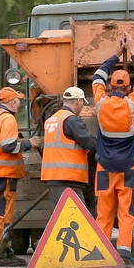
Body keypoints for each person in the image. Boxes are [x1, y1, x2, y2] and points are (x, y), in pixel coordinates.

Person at [92, 33, 134, 268]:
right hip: (128, 168)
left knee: (103, 213)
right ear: (128, 87)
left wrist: (116, 54)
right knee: (126, 213)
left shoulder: (101, 102)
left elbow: (97, 77)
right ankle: (124, 254)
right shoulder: (133, 103)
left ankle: (102, 254)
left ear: (109, 86)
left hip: (104, 167)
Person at [0, 86, 33, 266]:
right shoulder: (7, 119)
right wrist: (29, 143)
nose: (19, 105)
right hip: (5, 174)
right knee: (2, 213)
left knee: (2, 211)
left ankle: (6, 248)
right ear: (11, 102)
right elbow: (9, 147)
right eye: (18, 101)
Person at [41, 86, 97, 214]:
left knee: (61, 217)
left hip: (53, 177)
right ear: (77, 101)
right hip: (68, 178)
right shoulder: (71, 120)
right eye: (82, 102)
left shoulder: (51, 120)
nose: (82, 106)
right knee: (77, 218)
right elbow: (89, 143)